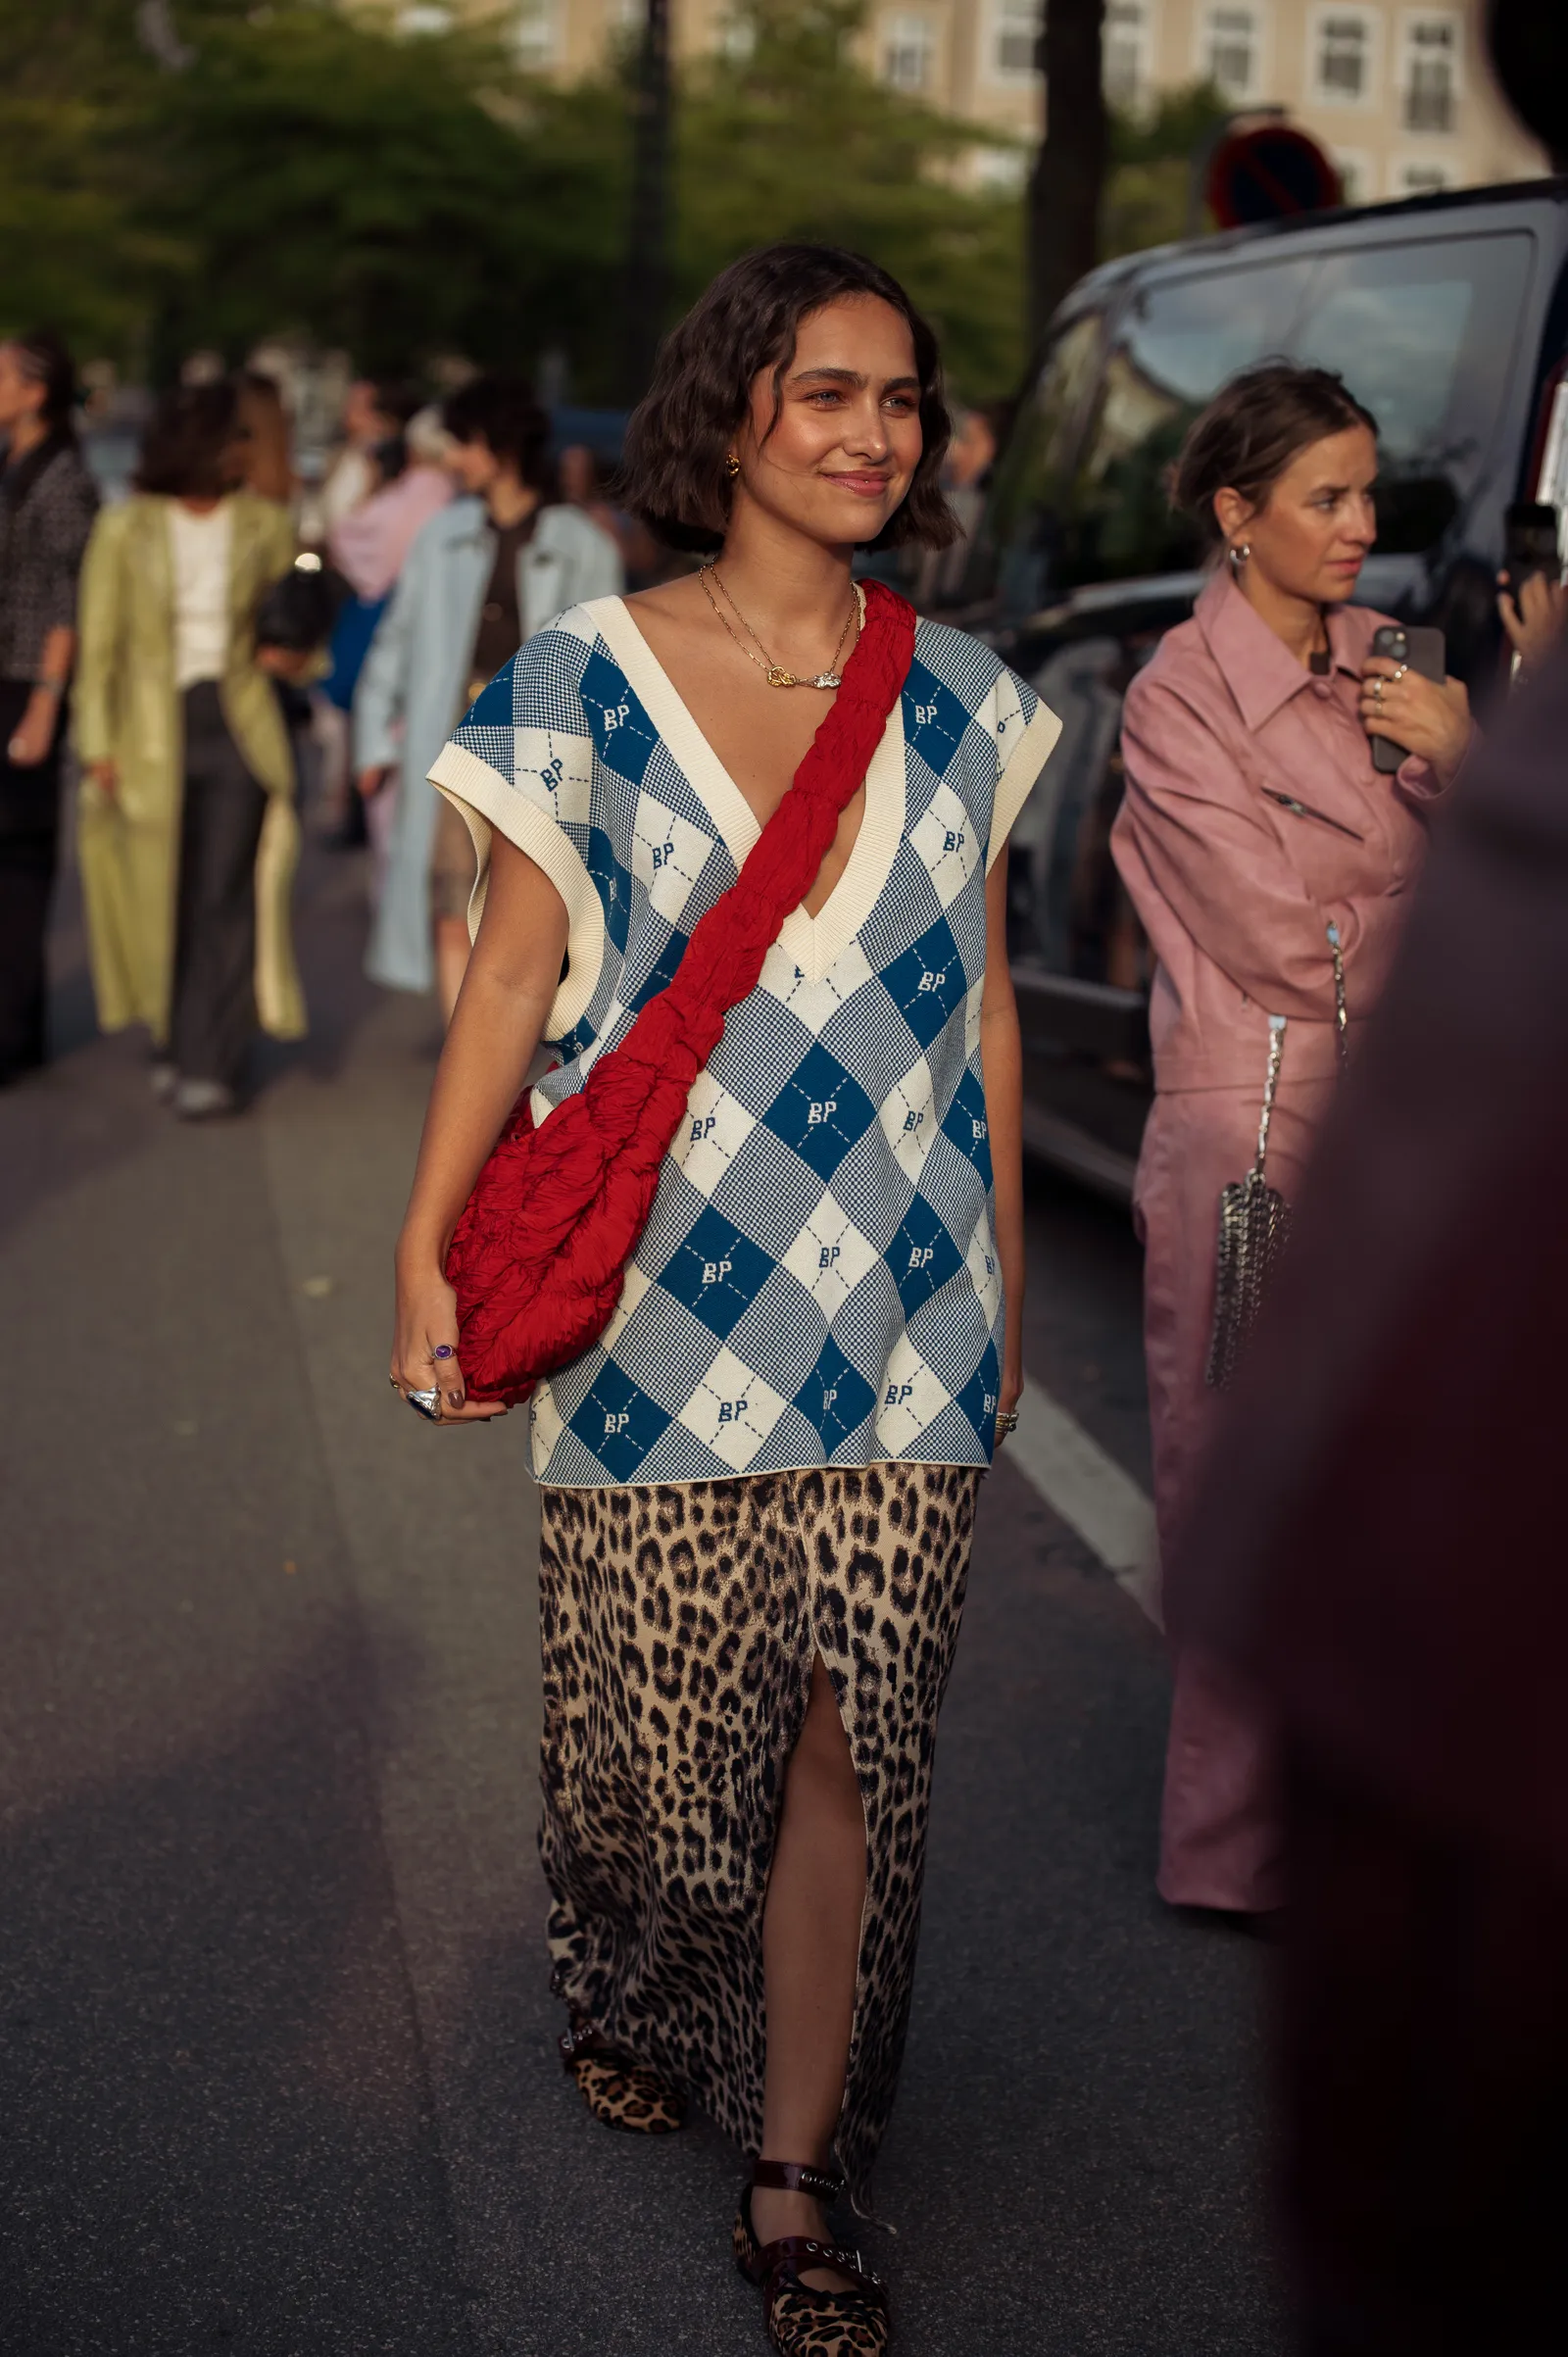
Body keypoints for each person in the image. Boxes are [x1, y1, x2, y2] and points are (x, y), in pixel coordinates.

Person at [388, 243, 1060, 2356]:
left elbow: (989, 1014)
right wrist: (427, 1240)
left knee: (857, 1738)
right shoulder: (579, 677)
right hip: (654, 1311)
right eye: (829, 391)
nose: (875, 432)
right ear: (733, 412)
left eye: (904, 398)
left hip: (907, 1306)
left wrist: (1007, 1282)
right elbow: (510, 968)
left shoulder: (963, 697)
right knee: (661, 1762)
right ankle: (631, 1957)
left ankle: (792, 2172)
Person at [1110, 362, 1473, 1919]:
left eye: (1366, 493)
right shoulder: (1176, 696)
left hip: (1412, 1120)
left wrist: (1461, 753)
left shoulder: (1409, 669)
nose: (1358, 526)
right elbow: (1277, 943)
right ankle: (1234, 1846)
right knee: (1241, 1472)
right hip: (1251, 1136)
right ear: (1234, 513)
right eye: (1322, 497)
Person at [74, 379, 310, 1116]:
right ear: (200, 442)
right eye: (234, 436)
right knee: (159, 891)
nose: (246, 449)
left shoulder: (266, 524)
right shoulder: (126, 527)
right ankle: (176, 1034)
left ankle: (216, 1058)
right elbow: (99, 646)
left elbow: (297, 627)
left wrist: (296, 654)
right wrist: (96, 745)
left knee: (225, 893)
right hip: (148, 732)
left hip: (240, 725)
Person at [355, 376, 623, 1020]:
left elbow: (612, 663)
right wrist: (372, 740)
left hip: (545, 750)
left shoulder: (581, 543)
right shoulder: (442, 533)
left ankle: (522, 1050)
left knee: (531, 909)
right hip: (454, 738)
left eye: (463, 444)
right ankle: (463, 1052)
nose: (452, 460)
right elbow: (397, 638)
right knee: (452, 900)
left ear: (499, 446)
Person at [0, 329, 98, 1084]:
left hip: (27, 682)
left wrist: (44, 703)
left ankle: (16, 1026)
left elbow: (69, 598)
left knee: (20, 858)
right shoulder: (11, 463)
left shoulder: (62, 476)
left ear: (37, 390)